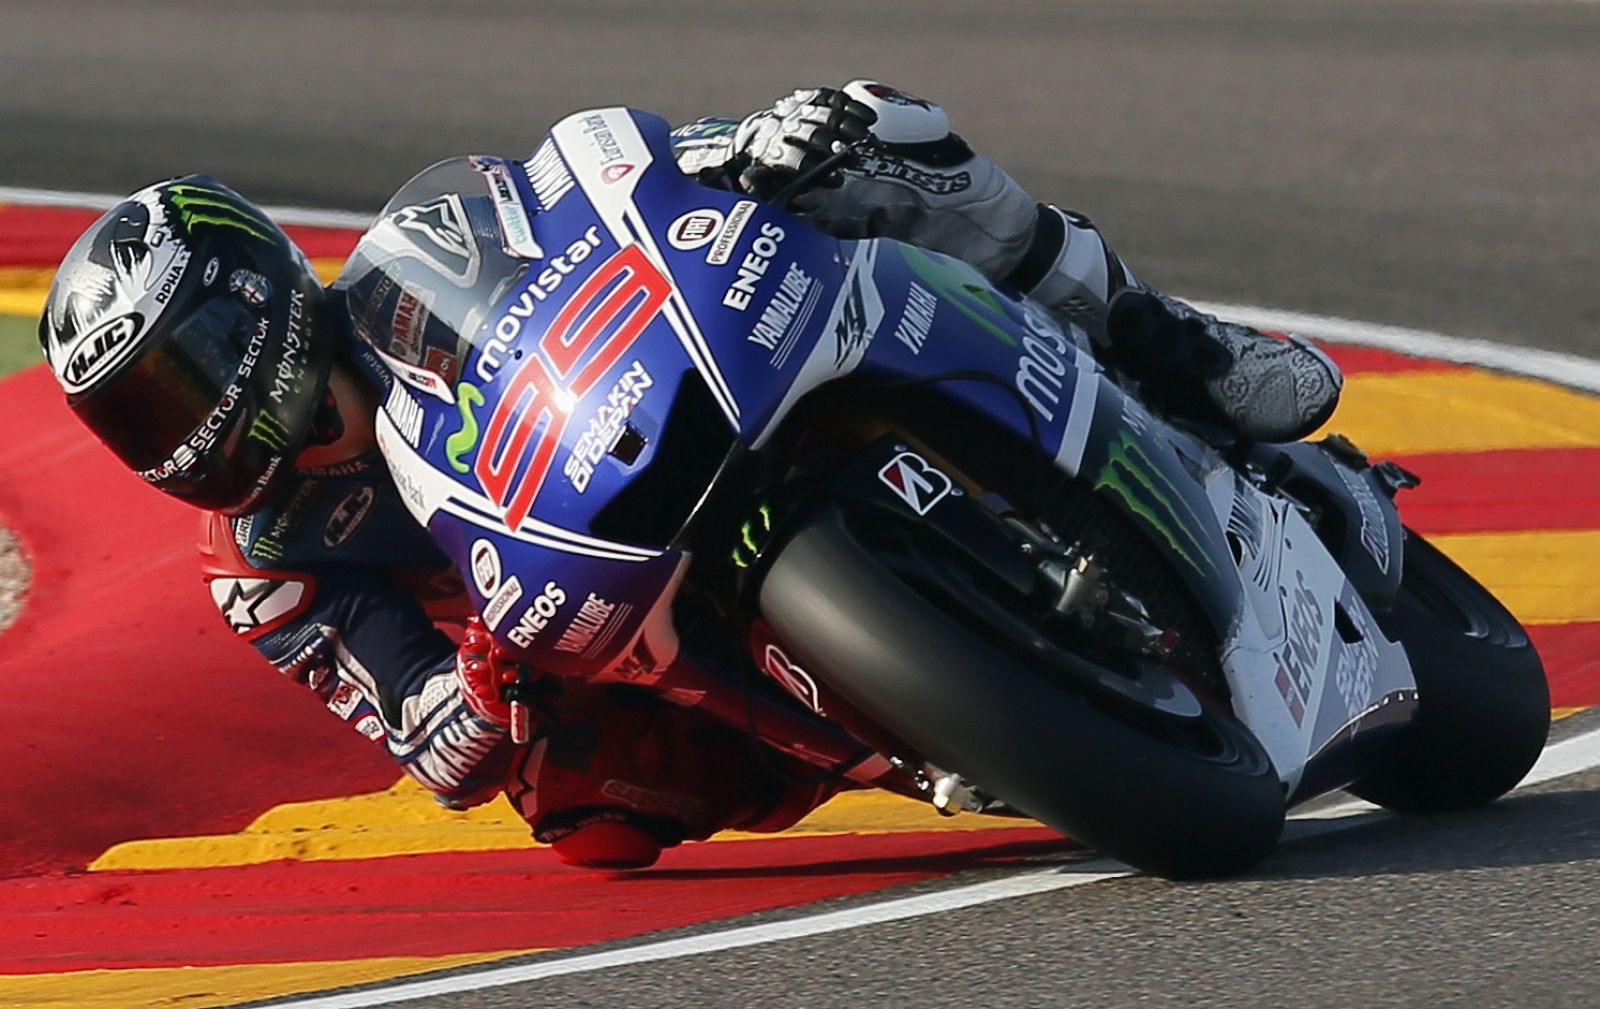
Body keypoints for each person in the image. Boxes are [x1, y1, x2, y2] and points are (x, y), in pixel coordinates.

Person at [35, 81, 1341, 869]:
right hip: (572, 619)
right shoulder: (266, 568)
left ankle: (1172, 344)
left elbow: (579, 189)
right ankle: (920, 736)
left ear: (253, 293)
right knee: (583, 818)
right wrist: (481, 686)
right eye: (138, 417)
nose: (184, 430)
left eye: (184, 375)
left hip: (658, 398)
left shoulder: (404, 258)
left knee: (870, 132)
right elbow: (427, 741)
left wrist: (736, 156)